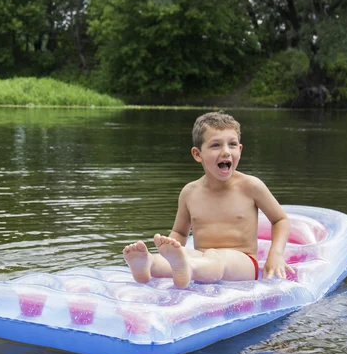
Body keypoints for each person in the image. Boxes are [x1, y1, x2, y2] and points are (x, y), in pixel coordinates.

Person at [123, 111, 293, 288]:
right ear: (198, 154)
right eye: (216, 145)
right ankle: (148, 264)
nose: (226, 152)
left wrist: (276, 254)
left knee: (214, 258)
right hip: (201, 258)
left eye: (232, 144)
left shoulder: (251, 186)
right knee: (186, 256)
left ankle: (188, 267)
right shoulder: (190, 192)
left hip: (242, 262)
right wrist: (171, 248)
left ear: (240, 150)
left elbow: (280, 219)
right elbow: (180, 233)